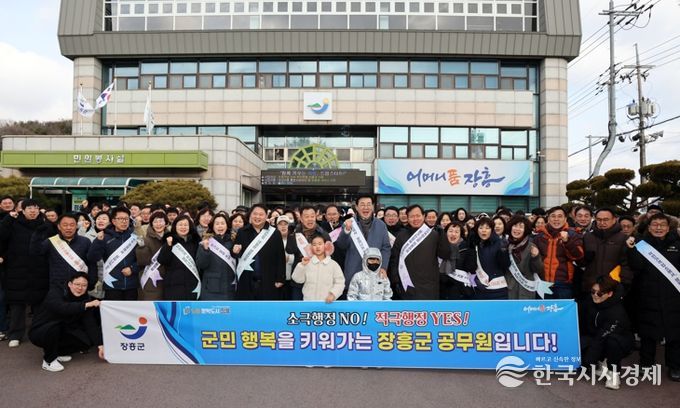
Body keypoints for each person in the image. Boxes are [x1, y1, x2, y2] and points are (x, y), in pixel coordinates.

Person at [627, 213, 680, 381]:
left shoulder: (677, 244)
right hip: (647, 295)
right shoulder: (641, 244)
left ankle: (675, 366)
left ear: (668, 227)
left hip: (673, 297)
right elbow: (636, 266)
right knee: (647, 333)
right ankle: (646, 364)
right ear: (649, 228)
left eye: (662, 224)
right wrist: (631, 249)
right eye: (655, 225)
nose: (658, 228)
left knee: (675, 333)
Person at [28, 272, 104, 372]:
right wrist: (85, 305)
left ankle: (58, 352)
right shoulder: (56, 292)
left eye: (84, 285)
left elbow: (90, 324)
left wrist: (100, 346)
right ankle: (48, 360)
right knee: (54, 327)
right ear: (70, 284)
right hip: (41, 331)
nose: (80, 288)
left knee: (86, 341)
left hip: (63, 329)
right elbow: (62, 308)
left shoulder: (86, 299)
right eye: (77, 284)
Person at [0, 199, 44, 348]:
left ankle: (38, 333)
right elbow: (1, 236)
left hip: (39, 270)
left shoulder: (44, 225)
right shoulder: (13, 224)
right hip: (16, 270)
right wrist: (8, 219)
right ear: (22, 210)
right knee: (17, 305)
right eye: (29, 208)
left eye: (35, 208)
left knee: (39, 304)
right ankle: (15, 334)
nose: (32, 210)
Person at [580, 276, 634, 390]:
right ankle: (602, 362)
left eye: (600, 293)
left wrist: (590, 359)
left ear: (610, 294)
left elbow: (603, 335)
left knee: (612, 342)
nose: (595, 295)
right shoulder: (589, 301)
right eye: (593, 291)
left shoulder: (617, 312)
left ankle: (614, 373)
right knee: (581, 341)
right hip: (598, 336)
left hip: (620, 341)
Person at [388, 205, 450, 300]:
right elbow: (394, 259)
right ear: (407, 218)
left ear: (423, 216)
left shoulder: (434, 234)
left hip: (429, 284)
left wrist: (442, 235)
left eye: (418, 215)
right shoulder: (401, 236)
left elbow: (445, 254)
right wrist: (395, 280)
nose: (415, 219)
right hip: (407, 284)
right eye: (412, 216)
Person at [336, 195, 391, 294]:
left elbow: (386, 248)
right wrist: (346, 231)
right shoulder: (349, 223)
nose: (366, 207)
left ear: (373, 207)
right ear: (356, 207)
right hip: (353, 273)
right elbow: (341, 245)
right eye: (362, 204)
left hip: (375, 273)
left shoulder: (381, 225)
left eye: (369, 204)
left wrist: (384, 267)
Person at [232, 204, 285, 300]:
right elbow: (235, 254)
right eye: (255, 214)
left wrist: (280, 278)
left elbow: (280, 257)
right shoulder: (242, 232)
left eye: (261, 214)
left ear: (266, 216)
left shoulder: (275, 233)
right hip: (246, 279)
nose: (257, 217)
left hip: (268, 279)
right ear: (250, 215)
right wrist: (235, 251)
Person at [87, 207, 139, 301]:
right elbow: (92, 258)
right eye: (120, 219)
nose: (124, 222)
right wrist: (98, 242)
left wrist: (132, 268)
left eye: (126, 219)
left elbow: (142, 260)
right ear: (113, 221)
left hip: (131, 285)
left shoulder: (135, 237)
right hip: (111, 285)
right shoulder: (104, 237)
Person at [533, 206, 584, 299]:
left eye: (560, 216)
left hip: (563, 284)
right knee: (543, 308)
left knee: (561, 308)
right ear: (548, 219)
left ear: (565, 219)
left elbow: (578, 256)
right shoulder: (539, 237)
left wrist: (567, 241)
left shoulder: (573, 234)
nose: (556, 219)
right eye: (553, 216)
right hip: (542, 283)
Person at [36, 214, 97, 290]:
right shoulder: (50, 242)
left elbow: (92, 263)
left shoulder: (85, 242)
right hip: (57, 287)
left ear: (76, 226)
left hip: (79, 287)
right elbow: (37, 255)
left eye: (72, 225)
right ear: (59, 226)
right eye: (65, 225)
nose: (68, 228)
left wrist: (92, 282)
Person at [580, 208, 632, 293]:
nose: (602, 223)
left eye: (606, 220)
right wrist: (584, 258)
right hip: (591, 285)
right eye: (599, 219)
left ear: (614, 220)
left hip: (613, 285)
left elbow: (626, 264)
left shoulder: (623, 238)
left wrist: (624, 283)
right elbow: (581, 262)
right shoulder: (587, 237)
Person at [158, 214, 201, 300]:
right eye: (180, 225)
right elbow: (162, 260)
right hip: (173, 285)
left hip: (192, 284)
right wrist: (168, 246)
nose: (183, 227)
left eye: (186, 225)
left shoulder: (195, 242)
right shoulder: (170, 241)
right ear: (175, 227)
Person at [292, 234, 345, 302]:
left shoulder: (333, 264)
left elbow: (340, 282)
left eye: (320, 244)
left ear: (325, 245)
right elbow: (297, 279)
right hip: (309, 302)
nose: (317, 247)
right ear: (311, 247)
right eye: (314, 244)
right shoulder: (307, 263)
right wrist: (302, 265)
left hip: (327, 303)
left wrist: (333, 294)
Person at [197, 213, 236, 300]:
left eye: (222, 223)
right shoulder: (206, 241)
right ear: (213, 226)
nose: (220, 226)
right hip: (211, 288)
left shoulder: (233, 241)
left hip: (230, 287)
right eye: (217, 224)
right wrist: (205, 250)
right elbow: (201, 265)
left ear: (227, 225)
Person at [471, 218, 511, 300]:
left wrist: (503, 252)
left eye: (487, 228)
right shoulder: (473, 245)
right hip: (479, 289)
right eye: (481, 228)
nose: (484, 230)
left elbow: (505, 265)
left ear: (492, 230)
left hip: (498, 289)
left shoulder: (499, 244)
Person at [505, 216, 544, 300]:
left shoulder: (531, 246)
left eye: (521, 227)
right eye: (515, 226)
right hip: (509, 288)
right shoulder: (505, 246)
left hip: (526, 289)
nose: (517, 229)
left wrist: (535, 257)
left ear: (525, 230)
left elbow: (538, 270)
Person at [438, 222, 476, 300]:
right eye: (450, 231)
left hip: (461, 291)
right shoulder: (439, 249)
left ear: (461, 234)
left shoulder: (467, 249)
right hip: (442, 291)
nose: (453, 234)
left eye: (456, 232)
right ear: (446, 233)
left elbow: (472, 269)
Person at [135, 211, 168, 300]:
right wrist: (142, 248)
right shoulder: (146, 239)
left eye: (161, 221)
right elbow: (142, 261)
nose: (158, 224)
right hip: (150, 278)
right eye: (155, 222)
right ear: (151, 224)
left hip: (168, 278)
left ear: (166, 223)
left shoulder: (171, 238)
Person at [276, 215, 296, 300]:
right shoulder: (272, 240)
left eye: (285, 224)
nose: (283, 226)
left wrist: (289, 258)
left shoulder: (295, 239)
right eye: (280, 224)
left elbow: (299, 256)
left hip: (291, 279)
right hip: (277, 279)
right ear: (277, 226)